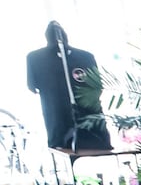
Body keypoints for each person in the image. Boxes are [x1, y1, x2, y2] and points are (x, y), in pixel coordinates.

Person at [26, 21, 112, 151]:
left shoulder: (86, 57)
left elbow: (97, 86)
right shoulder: (34, 58)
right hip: (59, 126)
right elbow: (32, 86)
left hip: (91, 127)